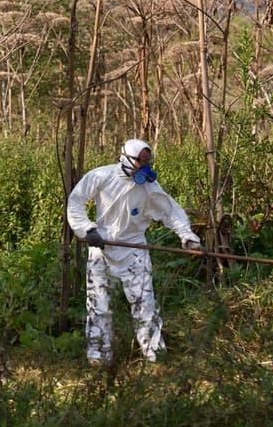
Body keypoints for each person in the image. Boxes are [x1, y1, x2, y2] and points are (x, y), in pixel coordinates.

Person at [67, 138, 202, 365]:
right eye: (141, 162)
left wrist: (187, 236)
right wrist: (87, 230)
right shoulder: (101, 176)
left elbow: (170, 211)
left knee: (145, 303)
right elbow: (76, 201)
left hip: (134, 249)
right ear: (127, 159)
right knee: (99, 304)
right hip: (102, 247)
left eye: (148, 161)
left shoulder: (149, 187)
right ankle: (99, 359)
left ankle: (155, 356)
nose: (145, 167)